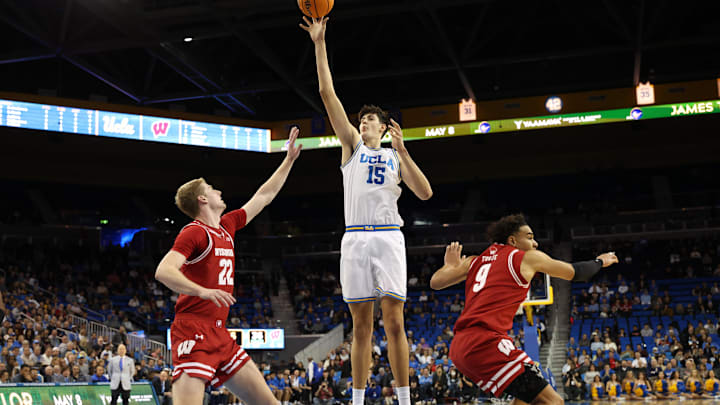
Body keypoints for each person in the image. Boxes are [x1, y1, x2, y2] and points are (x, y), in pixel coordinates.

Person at [300, 16, 433, 405]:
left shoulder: (395, 157)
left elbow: (424, 193)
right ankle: (358, 401)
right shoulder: (352, 148)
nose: (363, 122)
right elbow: (327, 93)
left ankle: (404, 398)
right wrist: (319, 43)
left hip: (390, 236)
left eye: (369, 119)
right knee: (360, 328)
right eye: (361, 120)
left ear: (384, 127)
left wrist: (405, 151)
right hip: (355, 239)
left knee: (394, 323)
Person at [154, 127, 302, 405]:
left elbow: (264, 196)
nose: (218, 190)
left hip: (219, 331)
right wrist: (202, 291)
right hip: (193, 329)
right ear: (202, 199)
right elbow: (164, 270)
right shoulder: (194, 231)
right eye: (211, 188)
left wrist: (289, 160)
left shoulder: (226, 225)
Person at [430, 214, 618, 404]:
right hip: (485, 343)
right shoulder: (525, 258)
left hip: (460, 346)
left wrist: (449, 266)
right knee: (553, 402)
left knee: (526, 399)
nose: (535, 243)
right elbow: (575, 272)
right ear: (512, 240)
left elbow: (436, 282)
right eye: (529, 237)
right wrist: (600, 261)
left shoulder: (474, 260)